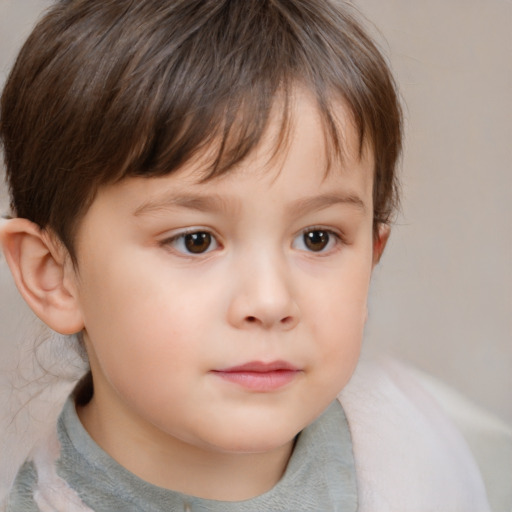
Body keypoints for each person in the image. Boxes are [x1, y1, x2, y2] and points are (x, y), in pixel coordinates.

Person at [0, 0, 505, 510]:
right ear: (54, 275)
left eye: (317, 238)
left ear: (373, 254)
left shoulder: (443, 458)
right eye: (195, 240)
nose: (268, 301)